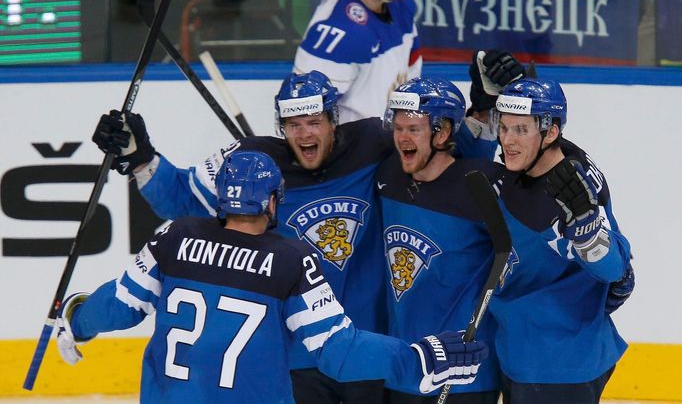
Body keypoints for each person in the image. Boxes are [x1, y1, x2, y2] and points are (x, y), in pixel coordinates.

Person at [91, 60, 522, 402]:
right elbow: (182, 200)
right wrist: (139, 156)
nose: (304, 133)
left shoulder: (374, 141)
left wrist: (483, 110)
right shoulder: (257, 162)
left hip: (364, 347)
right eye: (293, 124)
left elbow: (442, 146)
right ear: (281, 126)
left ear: (333, 120)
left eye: (314, 121)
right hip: (294, 355)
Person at [55, 150, 489, 403]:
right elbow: (338, 351)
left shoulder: (175, 236)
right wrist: (417, 360)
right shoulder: (289, 260)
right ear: (271, 203)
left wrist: (77, 320)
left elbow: (119, 307)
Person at [490, 79, 633, 403]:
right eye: (504, 127)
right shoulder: (570, 159)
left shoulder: (571, 195)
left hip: (555, 364)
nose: (507, 140)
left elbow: (612, 269)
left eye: (521, 130)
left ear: (551, 132)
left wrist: (588, 235)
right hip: (536, 350)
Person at [377, 78, 502, 404]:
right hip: (404, 366)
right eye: (398, 127)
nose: (402, 137)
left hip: (466, 375)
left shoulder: (481, 185)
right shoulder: (387, 176)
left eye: (413, 129)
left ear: (443, 133)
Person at [293, 0, 421, 123]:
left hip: (394, 144)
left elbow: (412, 68)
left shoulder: (401, 3)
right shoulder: (338, 32)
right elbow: (305, 119)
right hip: (354, 151)